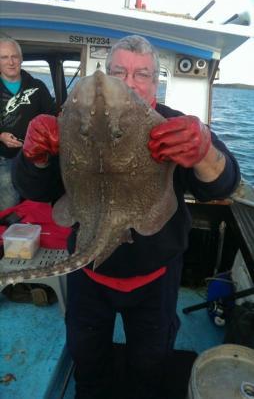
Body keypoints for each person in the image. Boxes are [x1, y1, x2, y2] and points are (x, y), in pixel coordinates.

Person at [12, 35, 240, 399]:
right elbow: (37, 189)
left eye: (142, 74)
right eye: (118, 72)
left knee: (149, 366)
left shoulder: (171, 125)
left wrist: (204, 153)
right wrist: (34, 155)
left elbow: (223, 186)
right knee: (87, 362)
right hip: (88, 274)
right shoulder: (71, 119)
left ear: (155, 82)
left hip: (155, 280)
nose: (129, 83)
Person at [0, 37, 56, 211]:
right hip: (4, 158)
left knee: (38, 207)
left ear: (21, 58)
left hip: (35, 159)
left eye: (14, 56)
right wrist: (1, 135)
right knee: (8, 206)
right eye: (4, 57)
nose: (10, 62)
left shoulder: (38, 86)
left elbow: (53, 117)